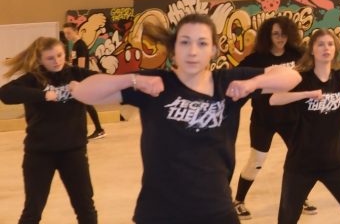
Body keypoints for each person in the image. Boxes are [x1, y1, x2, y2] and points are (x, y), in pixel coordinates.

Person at [70, 13, 301, 224]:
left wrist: (253, 83)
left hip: (216, 211)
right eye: (184, 42)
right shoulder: (155, 83)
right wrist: (132, 80)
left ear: (213, 50)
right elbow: (82, 92)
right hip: (159, 213)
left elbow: (291, 78)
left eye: (202, 43)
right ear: (173, 50)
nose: (192, 51)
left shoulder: (227, 81)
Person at [271, 28, 340, 224]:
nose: (326, 48)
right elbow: (274, 99)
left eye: (330, 44)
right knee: (287, 220)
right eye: (321, 44)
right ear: (312, 50)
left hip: (332, 162)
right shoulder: (302, 78)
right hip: (301, 164)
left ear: (335, 49)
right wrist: (305, 94)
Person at [0, 37, 99, 224]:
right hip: (40, 153)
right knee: (33, 210)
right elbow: (5, 93)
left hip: (73, 151)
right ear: (40, 60)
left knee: (85, 207)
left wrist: (86, 87)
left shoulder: (77, 73)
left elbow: (109, 82)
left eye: (60, 55)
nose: (57, 61)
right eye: (50, 58)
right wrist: (44, 95)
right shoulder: (33, 79)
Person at [233, 16, 312, 219]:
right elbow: (236, 75)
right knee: (256, 160)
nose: (280, 38)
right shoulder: (257, 58)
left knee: (301, 158)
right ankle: (238, 200)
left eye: (283, 33)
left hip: (292, 118)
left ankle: (299, 197)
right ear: (268, 36)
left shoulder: (298, 54)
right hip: (263, 119)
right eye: (275, 34)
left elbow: (311, 74)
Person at [62, 22, 106, 140]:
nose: (67, 36)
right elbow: (75, 64)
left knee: (85, 106)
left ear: (76, 31)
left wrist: (77, 82)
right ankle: (97, 129)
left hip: (80, 80)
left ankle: (99, 129)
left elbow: (80, 66)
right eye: (65, 33)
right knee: (84, 106)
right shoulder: (76, 45)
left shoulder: (80, 45)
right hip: (78, 80)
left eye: (69, 33)